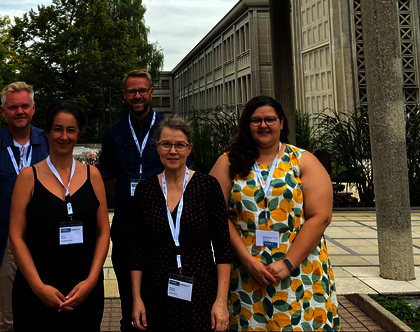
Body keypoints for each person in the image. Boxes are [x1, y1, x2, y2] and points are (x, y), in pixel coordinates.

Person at [209, 96, 340, 331]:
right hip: (246, 272)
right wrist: (249, 263)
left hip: (300, 270)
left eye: (270, 119)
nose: (263, 125)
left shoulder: (303, 160)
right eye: (256, 120)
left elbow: (321, 217)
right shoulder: (228, 162)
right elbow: (217, 217)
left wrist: (287, 263)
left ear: (281, 122)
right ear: (247, 125)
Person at [9, 100, 110, 332]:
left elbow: (103, 232)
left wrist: (91, 281)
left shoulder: (92, 175)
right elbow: (16, 237)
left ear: (79, 133)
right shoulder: (28, 177)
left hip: (84, 291)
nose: (64, 136)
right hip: (37, 291)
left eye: (71, 130)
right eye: (58, 129)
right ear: (46, 132)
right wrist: (38, 287)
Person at [131, 115, 232, 331]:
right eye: (166, 144)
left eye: (180, 145)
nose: (173, 151)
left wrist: (221, 301)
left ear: (189, 148)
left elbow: (223, 248)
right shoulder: (145, 191)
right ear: (157, 147)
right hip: (156, 292)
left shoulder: (208, 187)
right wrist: (137, 299)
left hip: (201, 291)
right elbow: (137, 250)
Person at [0, 82, 49, 331]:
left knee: (45, 311)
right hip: (2, 244)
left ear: (34, 108)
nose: (20, 111)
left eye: (25, 106)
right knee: (7, 318)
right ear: (3, 112)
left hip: (44, 241)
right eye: (13, 107)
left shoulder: (49, 145)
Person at [98, 69, 167, 331]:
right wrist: (132, 198)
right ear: (125, 95)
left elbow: (183, 173)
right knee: (128, 296)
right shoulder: (114, 133)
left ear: (150, 92)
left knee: (160, 293)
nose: (137, 96)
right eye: (131, 91)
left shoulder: (167, 128)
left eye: (142, 90)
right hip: (126, 225)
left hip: (163, 226)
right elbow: (106, 175)